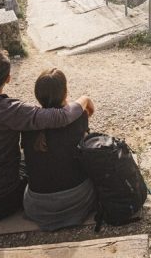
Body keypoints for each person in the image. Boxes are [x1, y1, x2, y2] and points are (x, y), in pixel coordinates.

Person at [0, 48, 94, 223]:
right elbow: (62, 116)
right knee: (29, 164)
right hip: (0, 202)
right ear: (8, 79)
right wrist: (85, 99)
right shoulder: (10, 111)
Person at [21, 68, 97, 230]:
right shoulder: (78, 118)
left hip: (37, 206)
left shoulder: (28, 125)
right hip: (75, 201)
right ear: (66, 92)